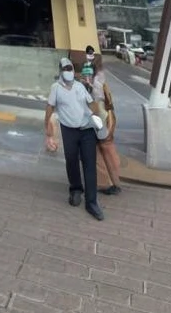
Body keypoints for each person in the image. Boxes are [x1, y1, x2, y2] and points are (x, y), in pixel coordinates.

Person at [44, 57, 105, 221]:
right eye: (65, 68)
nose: (68, 71)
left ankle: (92, 202)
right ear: (60, 70)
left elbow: (91, 104)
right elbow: (50, 107)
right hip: (68, 129)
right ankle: (76, 189)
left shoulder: (80, 86)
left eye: (70, 68)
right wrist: (48, 131)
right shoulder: (55, 88)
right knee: (71, 160)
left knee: (89, 164)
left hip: (87, 130)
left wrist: (98, 121)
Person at [88, 53, 122, 195]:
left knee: (103, 149)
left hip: (101, 117)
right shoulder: (101, 77)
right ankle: (113, 183)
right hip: (107, 116)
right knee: (107, 149)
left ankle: (109, 183)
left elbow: (96, 99)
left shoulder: (97, 80)